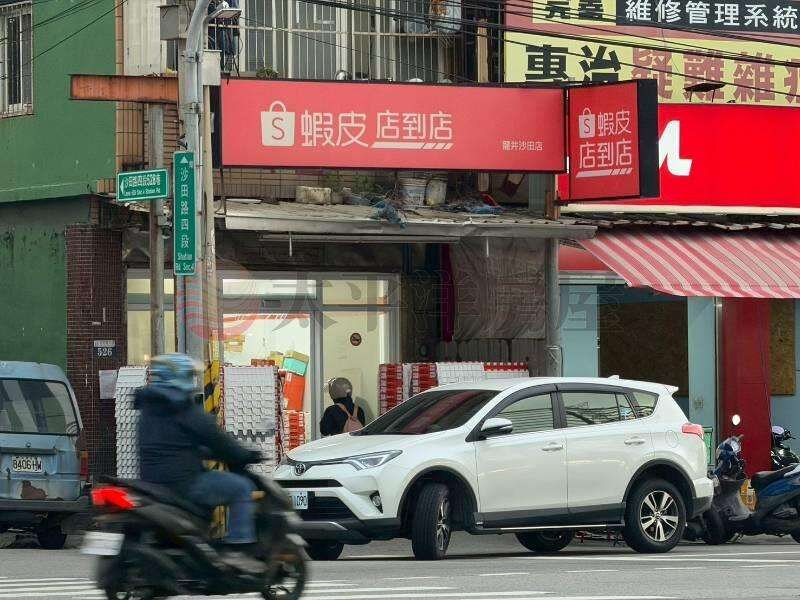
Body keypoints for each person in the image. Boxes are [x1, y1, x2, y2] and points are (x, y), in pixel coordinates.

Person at [135, 353, 264, 573]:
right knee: (241, 488)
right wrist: (244, 455)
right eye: (189, 374)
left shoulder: (149, 409)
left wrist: (203, 453)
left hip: (154, 485)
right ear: (179, 376)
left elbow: (173, 445)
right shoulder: (183, 408)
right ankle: (238, 550)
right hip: (185, 484)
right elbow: (218, 439)